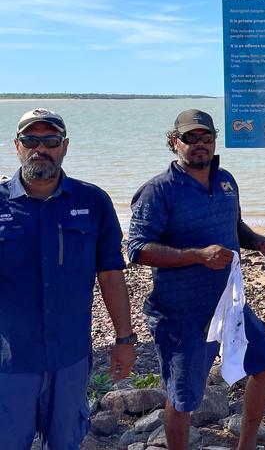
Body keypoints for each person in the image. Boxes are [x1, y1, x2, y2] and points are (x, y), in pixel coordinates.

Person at [128, 109, 265, 450]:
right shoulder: (158, 191)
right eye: (190, 138)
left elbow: (234, 227)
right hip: (181, 313)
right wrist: (198, 256)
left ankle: (246, 445)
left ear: (214, 142)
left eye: (206, 138)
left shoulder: (226, 180)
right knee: (183, 398)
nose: (199, 145)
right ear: (174, 143)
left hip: (230, 305)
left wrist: (259, 242)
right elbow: (137, 250)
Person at [0, 109, 136, 448]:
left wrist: (124, 340)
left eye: (50, 140)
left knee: (66, 442)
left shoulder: (93, 201)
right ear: (17, 146)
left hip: (70, 357)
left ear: (65, 146)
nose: (40, 148)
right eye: (31, 140)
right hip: (10, 361)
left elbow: (110, 273)